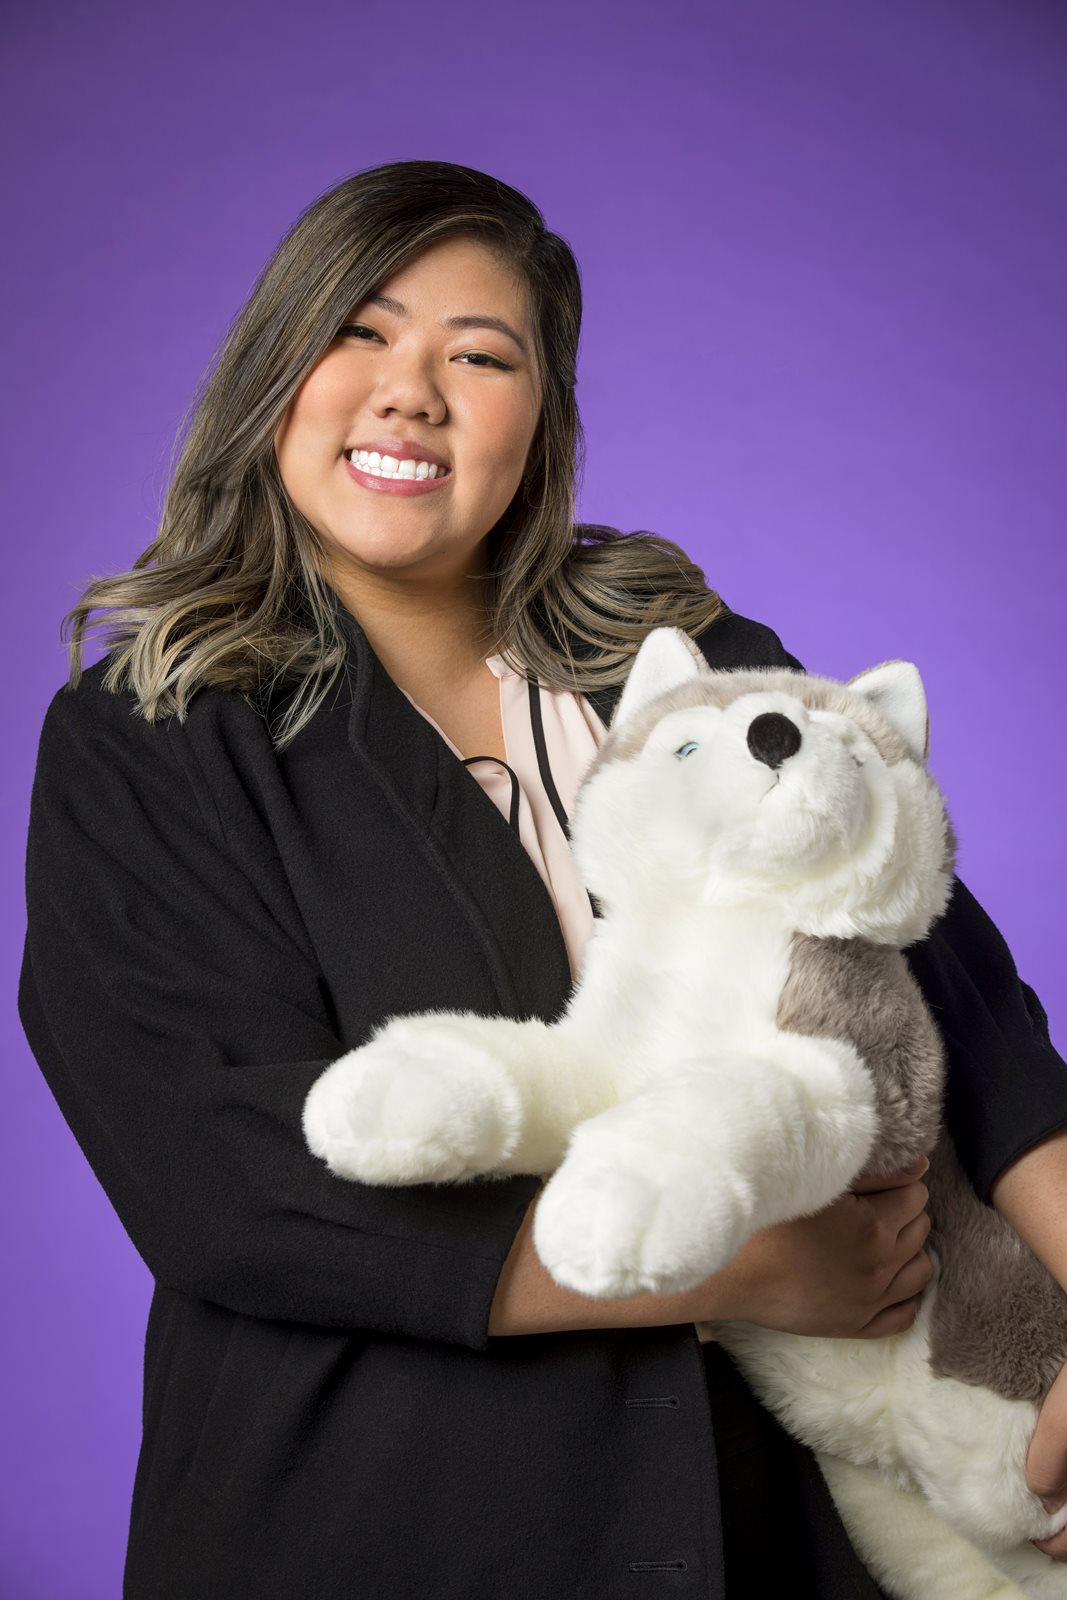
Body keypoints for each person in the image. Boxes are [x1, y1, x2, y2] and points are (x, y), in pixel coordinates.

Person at [17, 159, 1067, 1599]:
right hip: (376, 1518)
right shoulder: (156, 737)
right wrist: (743, 1273)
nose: (410, 392)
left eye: (481, 355)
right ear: (276, 376)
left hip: (766, 1514)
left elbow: (960, 1003)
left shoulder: (687, 658)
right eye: (361, 332)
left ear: (543, 420)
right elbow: (224, 1179)